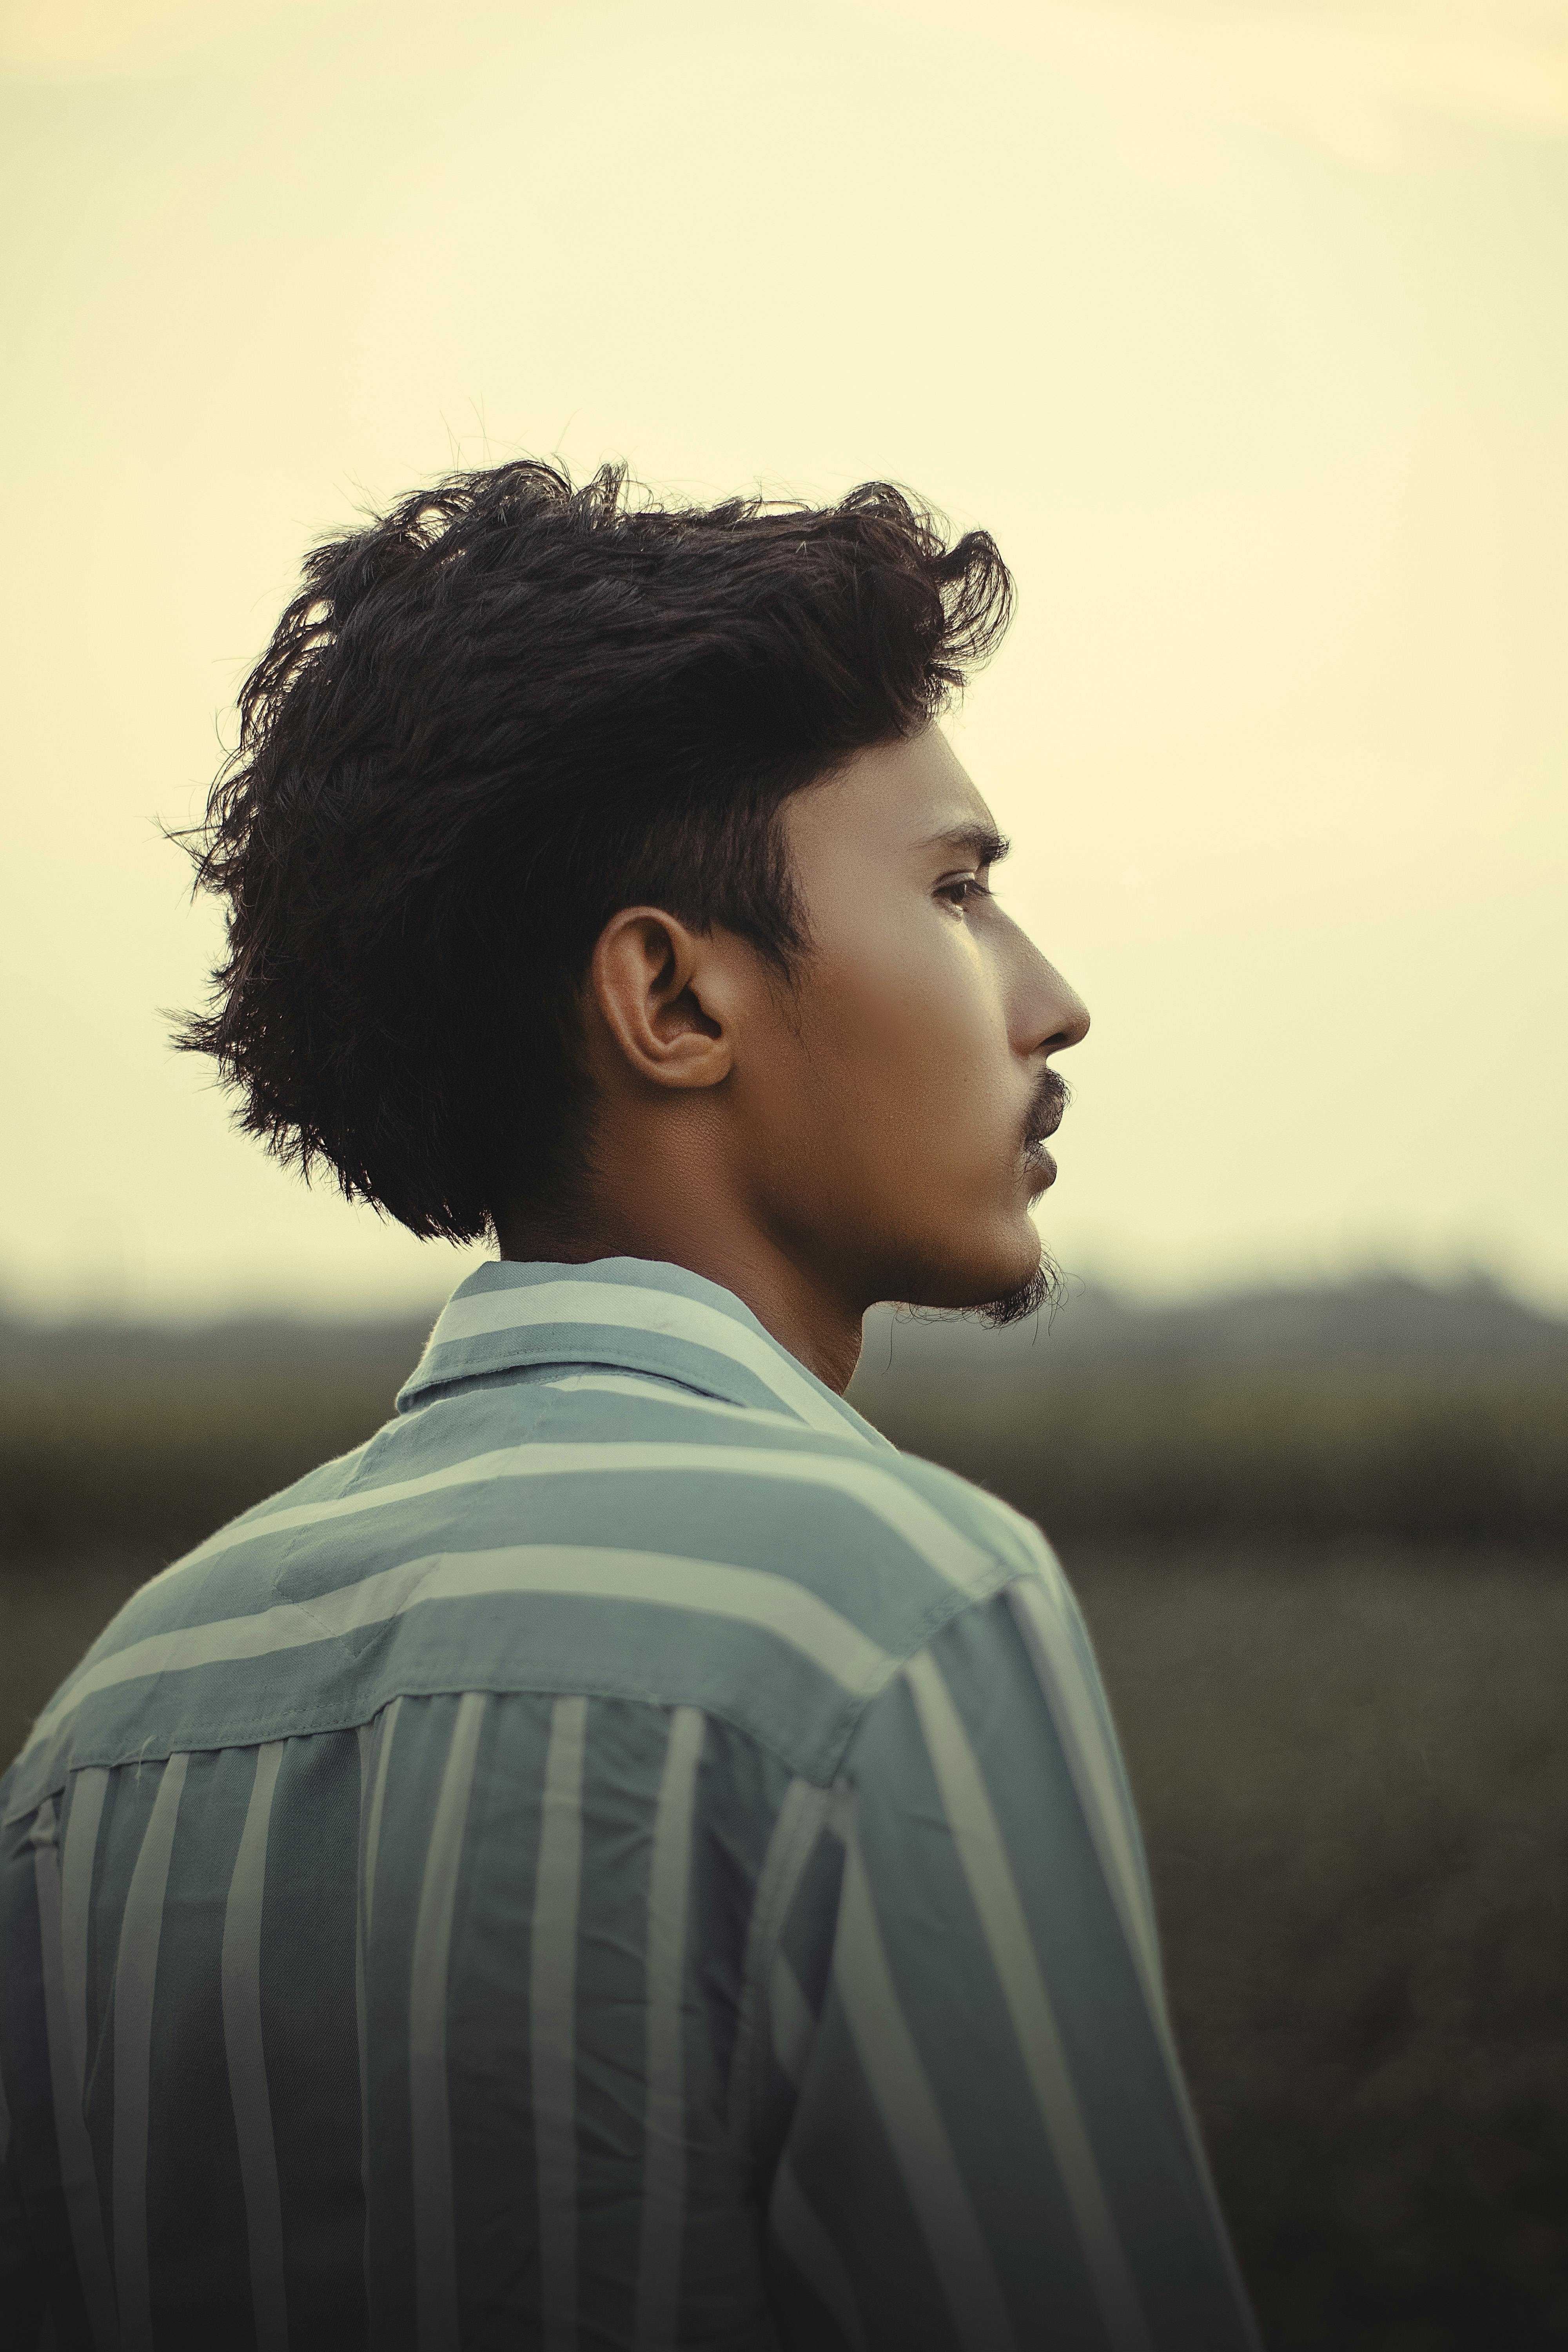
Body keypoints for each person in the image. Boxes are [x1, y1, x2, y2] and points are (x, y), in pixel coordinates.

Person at [0, 461, 1257, 2350]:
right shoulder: (896, 1612)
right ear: (669, 998)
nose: (1048, 999)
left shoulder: (110, 1728)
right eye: (960, 890)